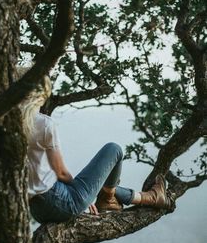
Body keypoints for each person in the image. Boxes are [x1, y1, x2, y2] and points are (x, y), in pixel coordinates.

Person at [19, 71, 176, 224]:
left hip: (37, 210)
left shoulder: (6, 124)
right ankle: (109, 199)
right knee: (114, 149)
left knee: (96, 186)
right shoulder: (44, 124)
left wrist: (85, 193)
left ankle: (144, 197)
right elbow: (61, 172)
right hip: (61, 202)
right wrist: (83, 199)